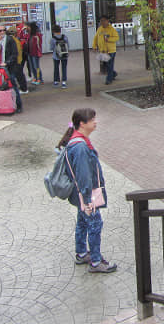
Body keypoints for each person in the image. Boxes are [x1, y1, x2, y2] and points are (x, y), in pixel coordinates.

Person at [57, 108, 117, 273]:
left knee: (83, 222)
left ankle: (82, 252)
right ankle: (96, 262)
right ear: (82, 124)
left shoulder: (75, 141)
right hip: (87, 194)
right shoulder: (81, 147)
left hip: (79, 194)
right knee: (95, 224)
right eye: (92, 120)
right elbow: (83, 175)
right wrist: (88, 200)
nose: (95, 122)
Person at [0, 25, 23, 113]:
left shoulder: (10, 40)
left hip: (9, 67)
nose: (2, 33)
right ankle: (3, 106)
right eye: (0, 31)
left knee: (12, 85)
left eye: (4, 30)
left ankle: (18, 105)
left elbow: (14, 54)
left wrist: (7, 62)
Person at [92, 16, 119, 85]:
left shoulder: (111, 29)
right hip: (102, 51)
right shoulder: (99, 29)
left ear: (107, 21)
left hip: (110, 51)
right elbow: (95, 38)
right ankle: (113, 73)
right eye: (101, 21)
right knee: (106, 65)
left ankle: (108, 79)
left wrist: (109, 39)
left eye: (104, 21)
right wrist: (94, 46)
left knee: (110, 65)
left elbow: (116, 38)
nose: (102, 22)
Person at [7, 27, 28, 94]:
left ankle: (24, 89)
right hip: (19, 60)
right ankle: (23, 88)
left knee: (19, 76)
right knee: (20, 75)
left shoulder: (12, 40)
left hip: (16, 61)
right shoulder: (16, 40)